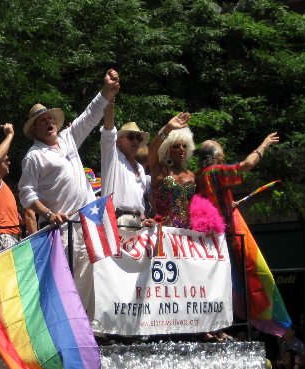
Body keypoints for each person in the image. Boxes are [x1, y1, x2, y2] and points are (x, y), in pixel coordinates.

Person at [18, 69, 120, 314]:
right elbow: (25, 192)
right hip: (62, 229)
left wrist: (106, 91)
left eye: (49, 118)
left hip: (90, 221)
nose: (47, 122)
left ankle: (92, 332)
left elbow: (91, 115)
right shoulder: (34, 157)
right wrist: (49, 213)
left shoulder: (69, 138)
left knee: (95, 277)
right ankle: (71, 332)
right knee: (68, 282)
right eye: (41, 121)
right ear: (34, 131)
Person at [196, 133, 280, 232]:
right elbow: (248, 163)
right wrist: (264, 145)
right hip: (221, 231)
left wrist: (228, 203)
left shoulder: (197, 175)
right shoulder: (218, 171)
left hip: (204, 230)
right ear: (217, 156)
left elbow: (209, 200)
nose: (224, 157)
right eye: (223, 154)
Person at [100, 95, 152, 228]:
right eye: (131, 137)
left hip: (138, 224)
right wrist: (110, 101)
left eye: (139, 138)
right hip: (116, 222)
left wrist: (144, 220)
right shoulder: (112, 158)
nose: (135, 140)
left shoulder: (140, 168)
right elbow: (108, 131)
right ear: (120, 141)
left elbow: (139, 201)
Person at [147, 113, 195, 229]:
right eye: (176, 146)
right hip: (164, 232)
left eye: (184, 145)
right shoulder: (161, 170)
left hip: (187, 233)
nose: (181, 149)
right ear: (167, 149)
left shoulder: (191, 175)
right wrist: (167, 129)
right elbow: (152, 150)